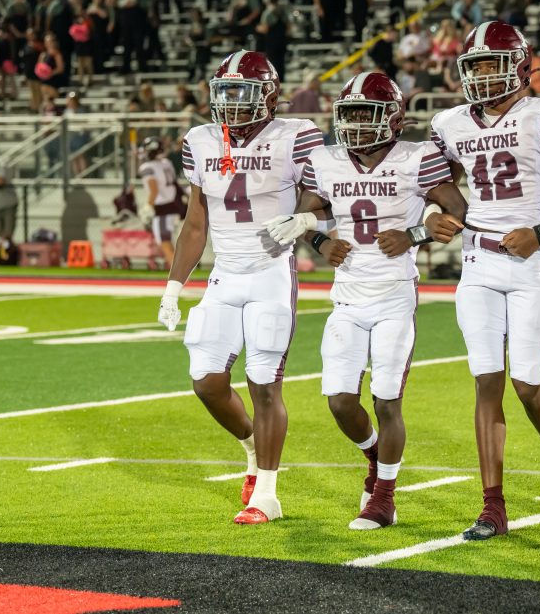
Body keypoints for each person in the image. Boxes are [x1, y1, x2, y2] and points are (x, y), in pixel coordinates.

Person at [429, 21, 540, 541]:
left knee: (527, 384)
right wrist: (431, 219)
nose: (483, 75)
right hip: (477, 262)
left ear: (520, 66)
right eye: (476, 65)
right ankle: (492, 506)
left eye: (492, 63)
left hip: (528, 262)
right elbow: (431, 186)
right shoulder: (451, 122)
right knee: (487, 380)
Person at [263, 72, 467, 530]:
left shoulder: (417, 157)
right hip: (348, 297)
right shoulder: (326, 160)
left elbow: (459, 212)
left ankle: (384, 498)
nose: (355, 124)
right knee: (338, 401)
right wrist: (319, 243)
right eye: (349, 114)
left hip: (395, 294)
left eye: (366, 114)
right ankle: (375, 456)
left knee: (387, 399)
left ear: (393, 118)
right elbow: (306, 214)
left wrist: (415, 233)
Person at [156, 50, 325, 524]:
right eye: (224, 92)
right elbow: (196, 222)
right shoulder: (201, 140)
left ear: (269, 95)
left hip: (271, 270)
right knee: (207, 382)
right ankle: (252, 446)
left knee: (264, 382)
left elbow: (328, 191)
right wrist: (173, 286)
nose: (230, 103)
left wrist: (306, 220)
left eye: (242, 93)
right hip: (225, 273)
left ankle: (266, 494)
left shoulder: (296, 137)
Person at [138, 136, 187, 269]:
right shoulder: (166, 163)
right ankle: (179, 272)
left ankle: (177, 276)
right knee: (169, 242)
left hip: (163, 207)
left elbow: (153, 189)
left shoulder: (147, 167)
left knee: (165, 243)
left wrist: (148, 206)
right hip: (174, 204)